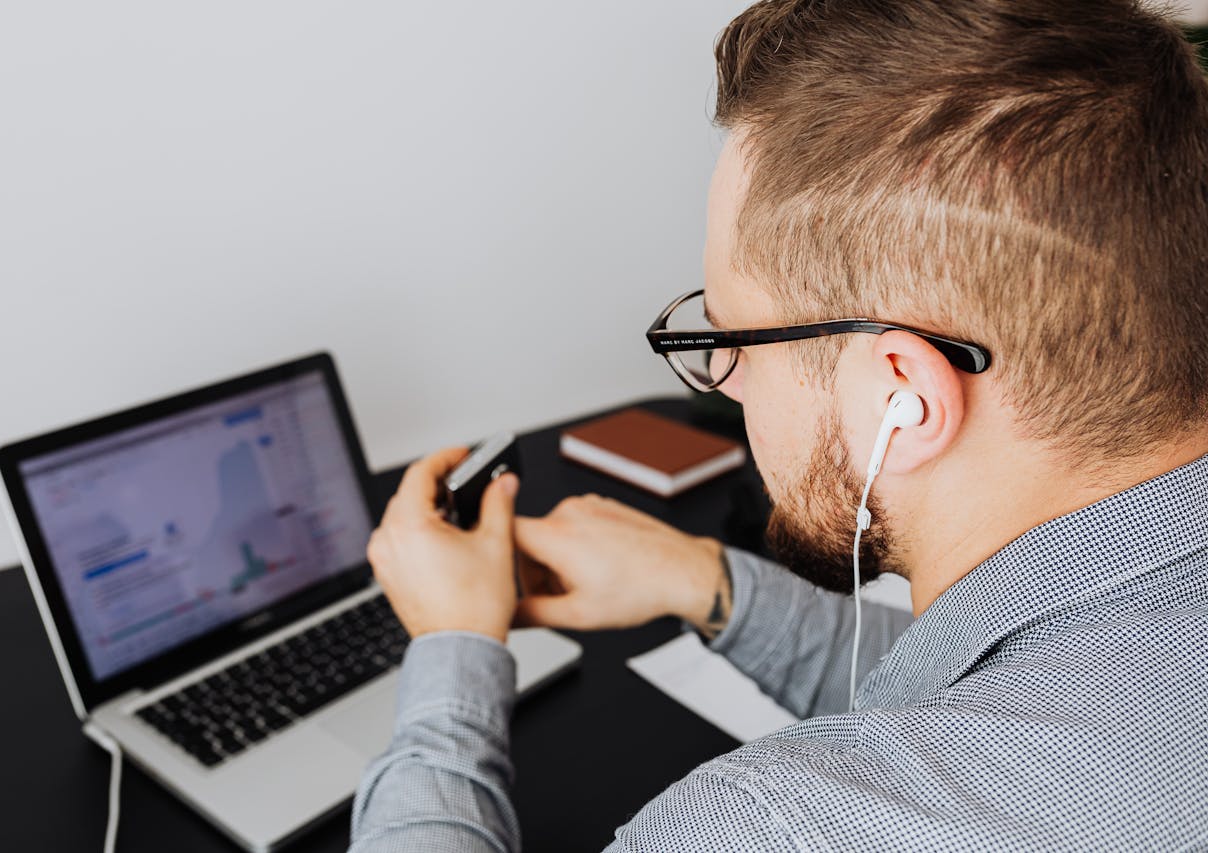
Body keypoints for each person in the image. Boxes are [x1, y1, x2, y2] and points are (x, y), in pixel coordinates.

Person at [348, 0, 1208, 849]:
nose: (721, 375)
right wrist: (702, 581)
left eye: (733, 339)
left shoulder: (771, 827)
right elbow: (1005, 709)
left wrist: (453, 645)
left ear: (901, 395)